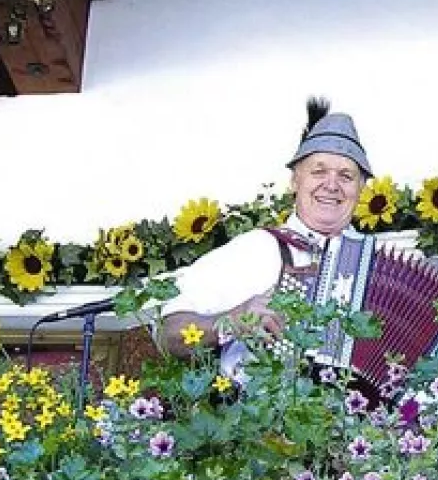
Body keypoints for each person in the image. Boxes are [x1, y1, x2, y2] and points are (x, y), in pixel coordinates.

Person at [158, 99, 372, 376]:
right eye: (318, 171)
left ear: (361, 188)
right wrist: (233, 321)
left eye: (346, 176)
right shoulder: (257, 249)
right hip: (268, 415)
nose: (331, 185)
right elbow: (169, 334)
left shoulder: (378, 266)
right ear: (295, 181)